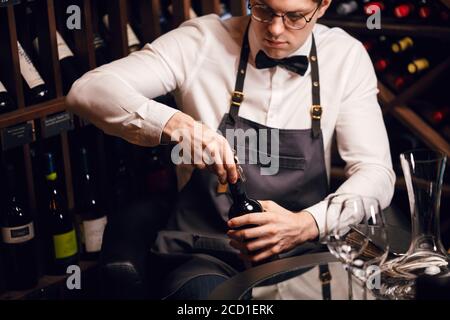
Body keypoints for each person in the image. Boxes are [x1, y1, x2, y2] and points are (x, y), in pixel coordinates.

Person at [66, 0, 396, 299]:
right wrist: (179, 126)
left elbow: (375, 172)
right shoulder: (201, 41)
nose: (275, 30)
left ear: (322, 6)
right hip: (203, 254)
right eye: (264, 10)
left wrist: (308, 223)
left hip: (303, 252)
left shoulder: (345, 56)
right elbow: (87, 90)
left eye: (294, 17)